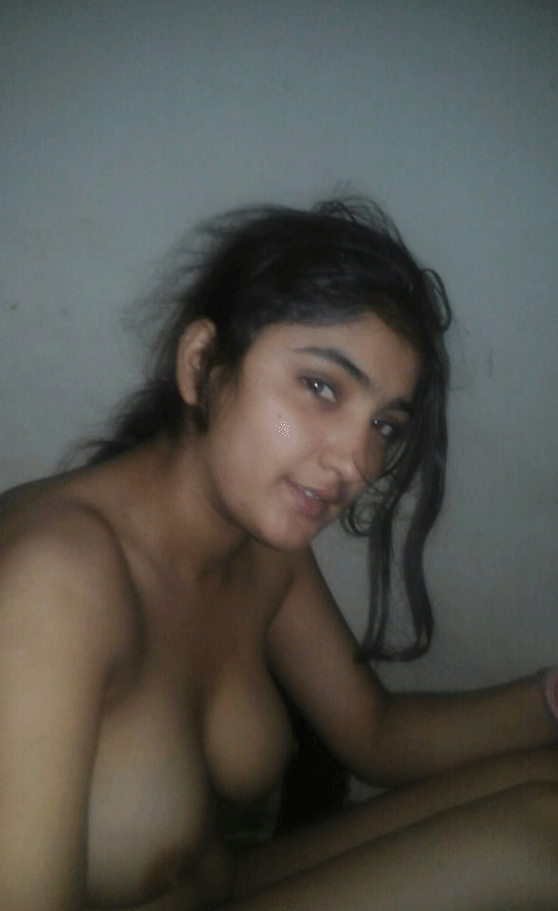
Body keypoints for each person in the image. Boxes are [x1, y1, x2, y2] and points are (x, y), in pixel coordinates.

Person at [0, 197, 557, 911]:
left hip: (232, 881)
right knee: (540, 846)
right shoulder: (52, 583)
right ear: (202, 364)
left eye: (385, 425)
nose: (358, 460)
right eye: (322, 386)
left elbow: (374, 732)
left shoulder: (264, 548)